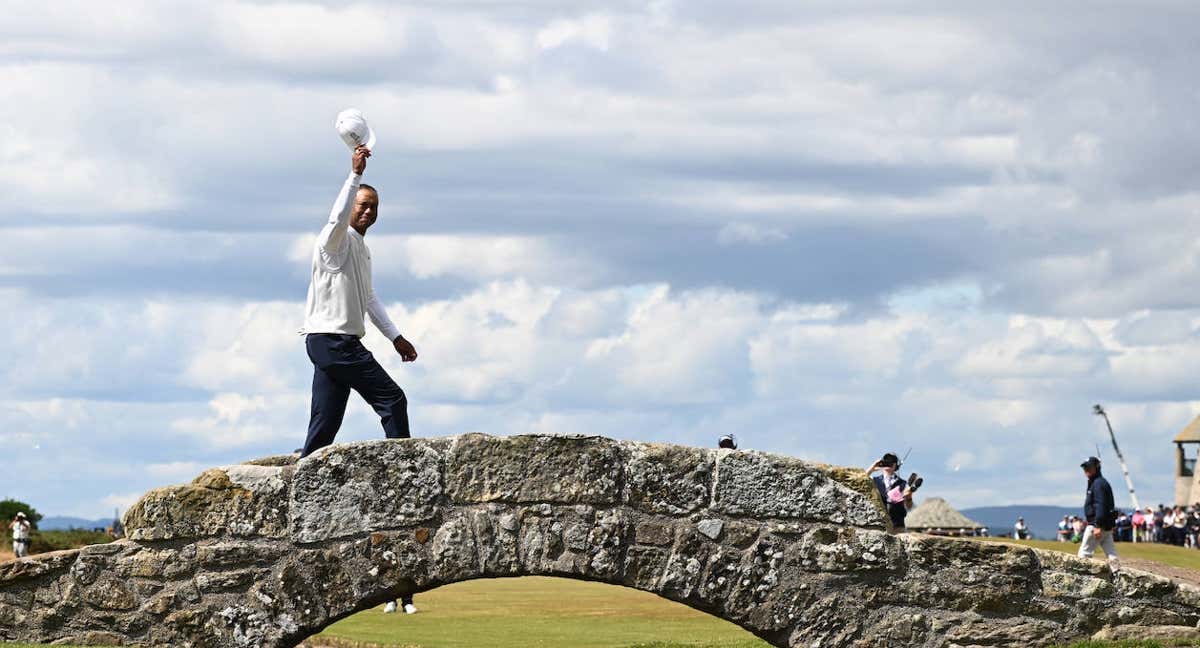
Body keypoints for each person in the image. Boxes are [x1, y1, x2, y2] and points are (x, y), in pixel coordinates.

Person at [299, 145, 419, 458]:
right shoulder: (335, 241)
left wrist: (397, 337)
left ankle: (303, 472)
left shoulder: (362, 249)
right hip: (335, 342)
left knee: (325, 422)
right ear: (351, 205)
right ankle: (405, 467)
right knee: (392, 399)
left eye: (374, 207)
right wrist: (355, 174)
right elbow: (336, 218)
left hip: (328, 343)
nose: (368, 211)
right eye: (363, 205)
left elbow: (368, 297)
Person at [1078, 456, 1119, 568]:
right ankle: (1118, 575)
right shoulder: (1098, 482)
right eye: (1085, 468)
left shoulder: (1098, 484)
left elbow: (1101, 506)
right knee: (1112, 554)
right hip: (1105, 525)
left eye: (1089, 467)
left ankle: (1082, 579)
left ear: (1097, 467)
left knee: (1084, 554)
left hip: (1096, 525)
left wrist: (1097, 525)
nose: (1086, 470)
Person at [866, 453, 922, 533]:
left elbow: (909, 507)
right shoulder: (874, 480)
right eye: (886, 461)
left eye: (891, 461)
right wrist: (872, 468)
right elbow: (859, 480)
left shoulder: (903, 483)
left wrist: (909, 496)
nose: (888, 462)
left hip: (897, 527)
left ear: (896, 465)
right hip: (878, 526)